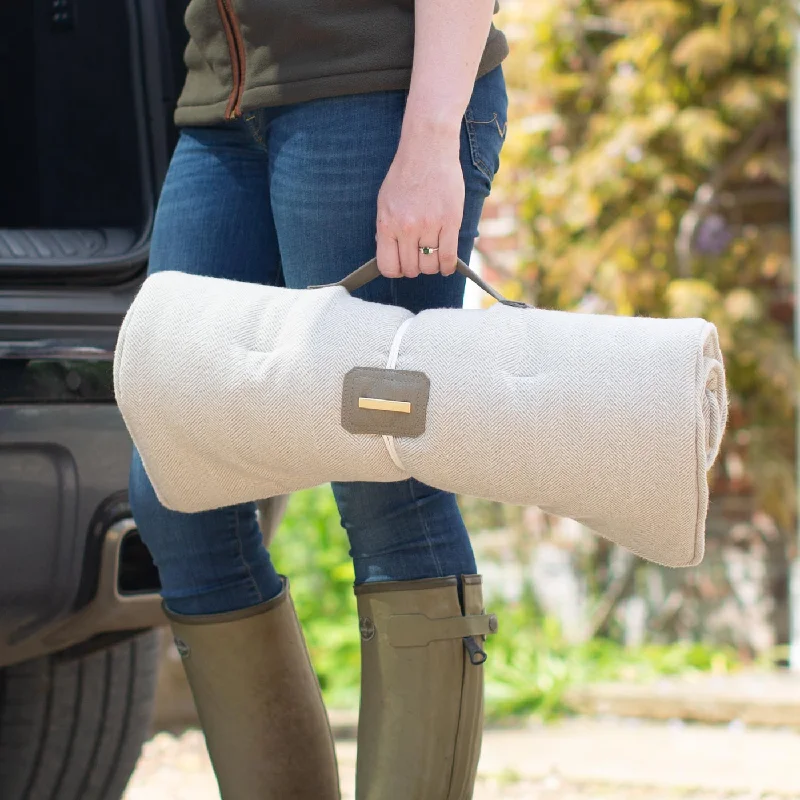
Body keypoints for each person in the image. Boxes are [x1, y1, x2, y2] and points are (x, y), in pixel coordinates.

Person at [129, 0, 509, 797]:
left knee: (384, 477)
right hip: (223, 102)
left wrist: (433, 138)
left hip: (372, 91)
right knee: (175, 485)